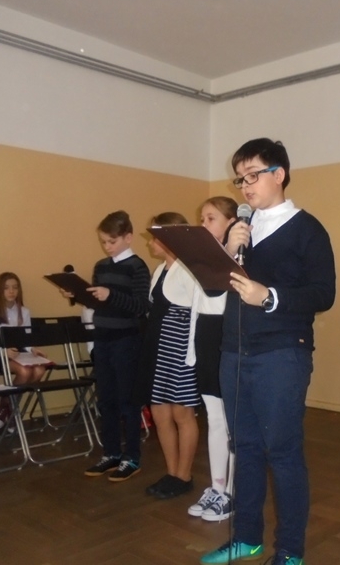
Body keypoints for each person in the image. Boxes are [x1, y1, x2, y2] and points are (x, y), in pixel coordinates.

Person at [201, 138, 336, 565]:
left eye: (252, 175)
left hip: (282, 354)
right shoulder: (240, 229)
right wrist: (227, 250)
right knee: (244, 448)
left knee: (283, 452)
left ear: (279, 174)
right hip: (234, 352)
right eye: (240, 178)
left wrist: (270, 297)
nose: (245, 186)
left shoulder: (307, 228)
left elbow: (324, 293)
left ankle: (291, 550)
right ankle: (246, 537)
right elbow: (212, 289)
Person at [79, 210, 150, 482]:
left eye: (112, 241)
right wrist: (78, 295)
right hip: (103, 338)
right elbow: (98, 302)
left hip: (126, 340)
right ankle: (111, 453)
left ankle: (132, 457)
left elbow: (141, 306)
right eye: (103, 242)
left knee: (127, 401)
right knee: (105, 399)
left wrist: (111, 295)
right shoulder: (101, 266)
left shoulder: (137, 266)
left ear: (128, 238)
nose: (107, 247)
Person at [143, 212, 201, 500]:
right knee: (160, 411)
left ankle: (184, 475)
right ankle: (171, 472)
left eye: (155, 236)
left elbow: (196, 315)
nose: (150, 242)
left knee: (182, 413)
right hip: (159, 350)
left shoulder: (189, 270)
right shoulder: (159, 270)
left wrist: (191, 356)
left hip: (180, 351)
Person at [187, 197, 237, 522]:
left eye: (211, 218)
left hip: (227, 337)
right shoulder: (202, 259)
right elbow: (197, 306)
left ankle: (232, 492)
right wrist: (192, 350)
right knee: (215, 419)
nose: (203, 224)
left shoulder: (241, 256)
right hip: (205, 338)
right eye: (202, 218)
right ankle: (218, 488)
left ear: (231, 222)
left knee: (233, 423)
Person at [0, 272, 48, 433]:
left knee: (39, 369)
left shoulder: (24, 311)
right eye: (6, 288)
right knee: (24, 371)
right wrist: (2, 352)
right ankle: (9, 411)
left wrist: (32, 349)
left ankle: (6, 409)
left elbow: (25, 339)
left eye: (15, 287)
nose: (11, 291)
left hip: (18, 354)